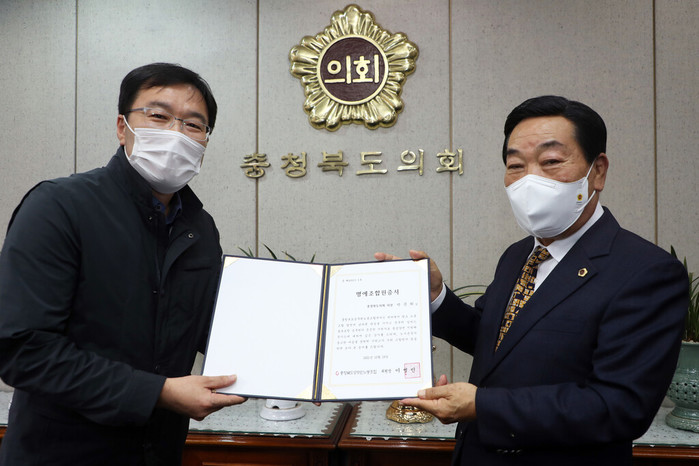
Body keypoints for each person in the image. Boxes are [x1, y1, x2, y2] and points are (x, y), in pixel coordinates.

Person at [377, 95, 688, 465]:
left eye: (551, 161)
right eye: (516, 165)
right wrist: (435, 298)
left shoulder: (646, 271)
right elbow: (499, 340)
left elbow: (619, 406)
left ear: (598, 171)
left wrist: (482, 405)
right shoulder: (518, 254)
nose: (530, 180)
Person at [0, 63, 245, 465]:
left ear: (205, 140)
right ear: (122, 127)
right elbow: (22, 349)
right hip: (61, 454)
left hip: (159, 451)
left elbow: (214, 329)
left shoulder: (199, 228)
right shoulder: (59, 208)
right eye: (159, 116)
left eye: (193, 124)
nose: (176, 133)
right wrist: (159, 393)